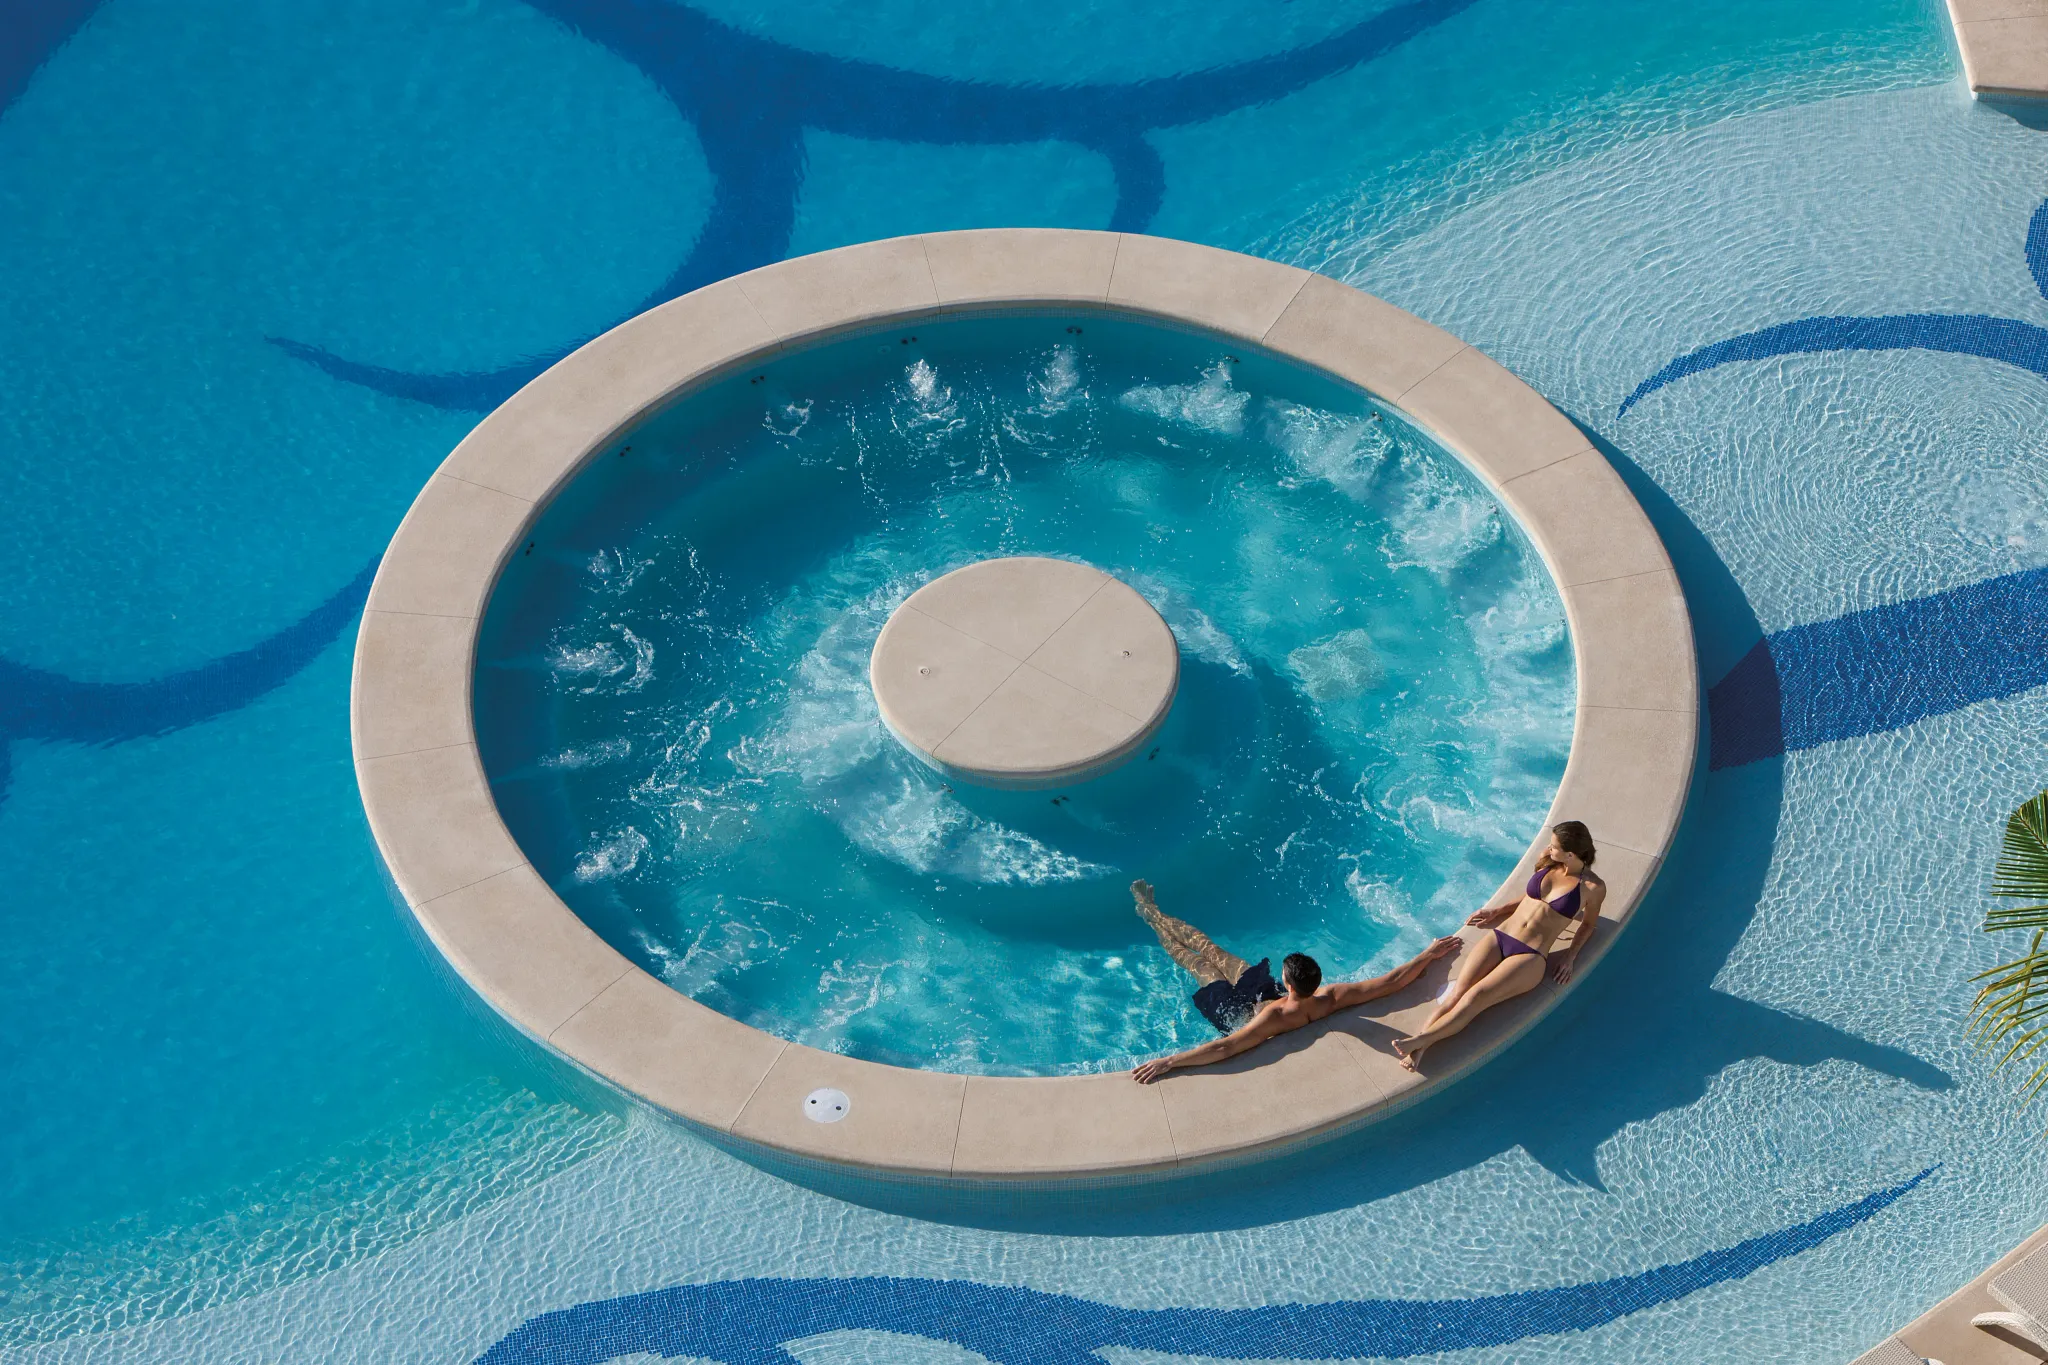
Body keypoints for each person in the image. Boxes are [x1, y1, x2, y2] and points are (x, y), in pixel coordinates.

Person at [1129, 880, 1461, 1084]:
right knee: (1213, 951)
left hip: (1239, 1013)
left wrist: (1169, 1062)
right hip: (1264, 993)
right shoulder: (1330, 997)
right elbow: (1391, 982)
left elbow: (1226, 1047)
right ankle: (1157, 912)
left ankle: (1150, 916)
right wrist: (1426, 956)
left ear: (1289, 983)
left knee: (1193, 959)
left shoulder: (1273, 1019)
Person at [1392, 820, 1604, 1072]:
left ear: (1571, 853)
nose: (1549, 847)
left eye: (1554, 846)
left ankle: (1419, 1041)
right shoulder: (1548, 860)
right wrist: (1497, 911)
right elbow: (1530, 898)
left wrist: (1570, 957)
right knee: (1458, 992)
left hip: (1529, 956)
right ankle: (1421, 1046)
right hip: (1501, 936)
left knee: (1476, 998)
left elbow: (1589, 925)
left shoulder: (1593, 887)